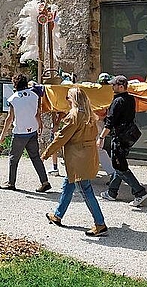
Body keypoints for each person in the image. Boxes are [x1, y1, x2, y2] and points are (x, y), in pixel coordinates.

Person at [42, 87, 108, 237]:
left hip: (78, 157)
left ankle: (100, 223)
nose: (67, 100)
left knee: (85, 189)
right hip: (87, 155)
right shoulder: (90, 114)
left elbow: (62, 137)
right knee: (68, 184)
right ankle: (58, 215)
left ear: (73, 99)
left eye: (68, 97)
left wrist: (47, 153)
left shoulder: (74, 115)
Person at [97, 75, 147, 207]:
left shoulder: (118, 101)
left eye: (113, 85)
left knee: (120, 167)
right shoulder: (130, 99)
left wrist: (101, 138)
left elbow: (109, 122)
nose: (112, 87)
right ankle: (112, 192)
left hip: (119, 138)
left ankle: (139, 192)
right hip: (128, 137)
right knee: (118, 164)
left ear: (121, 86)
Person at [0, 74, 51, 193]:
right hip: (32, 130)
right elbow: (37, 113)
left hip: (20, 132)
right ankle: (44, 182)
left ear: (15, 84)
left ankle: (11, 182)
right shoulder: (34, 95)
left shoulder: (13, 98)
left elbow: (9, 118)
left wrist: (2, 135)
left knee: (13, 158)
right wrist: (40, 124)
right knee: (35, 157)